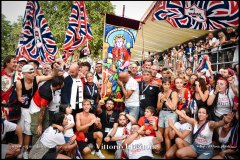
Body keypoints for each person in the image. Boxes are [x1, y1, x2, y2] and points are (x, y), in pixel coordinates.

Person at [29, 76, 65, 145]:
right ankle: (33, 153)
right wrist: (39, 125)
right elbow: (41, 111)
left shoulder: (51, 81)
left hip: (43, 108)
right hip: (37, 109)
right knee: (37, 131)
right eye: (62, 84)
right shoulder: (46, 94)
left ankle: (43, 147)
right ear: (57, 86)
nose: (63, 85)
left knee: (46, 128)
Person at [157, 77, 178, 151]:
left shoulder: (174, 93)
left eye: (168, 84)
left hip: (171, 113)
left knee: (167, 135)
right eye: (165, 84)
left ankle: (168, 153)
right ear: (162, 85)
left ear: (170, 85)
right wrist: (162, 101)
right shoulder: (160, 94)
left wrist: (165, 101)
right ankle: (159, 149)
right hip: (162, 113)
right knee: (160, 133)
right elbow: (158, 107)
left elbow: (173, 107)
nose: (166, 86)